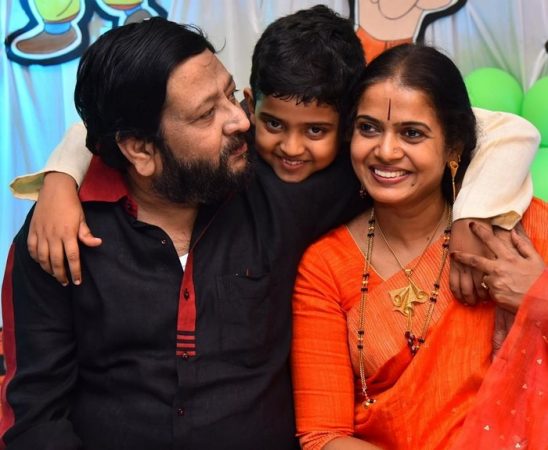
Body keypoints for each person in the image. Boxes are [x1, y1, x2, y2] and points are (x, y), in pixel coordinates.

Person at [1, 6, 540, 449]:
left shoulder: (287, 191)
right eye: (207, 114)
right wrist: (64, 174)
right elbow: (34, 417)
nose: (239, 120)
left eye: (232, 96)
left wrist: (470, 212)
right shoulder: (58, 240)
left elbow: (463, 128)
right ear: (138, 149)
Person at [291, 43, 548, 450]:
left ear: (454, 146)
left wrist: (540, 298)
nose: (385, 151)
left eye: (412, 133)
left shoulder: (520, 229)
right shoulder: (326, 265)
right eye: (369, 128)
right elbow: (323, 436)